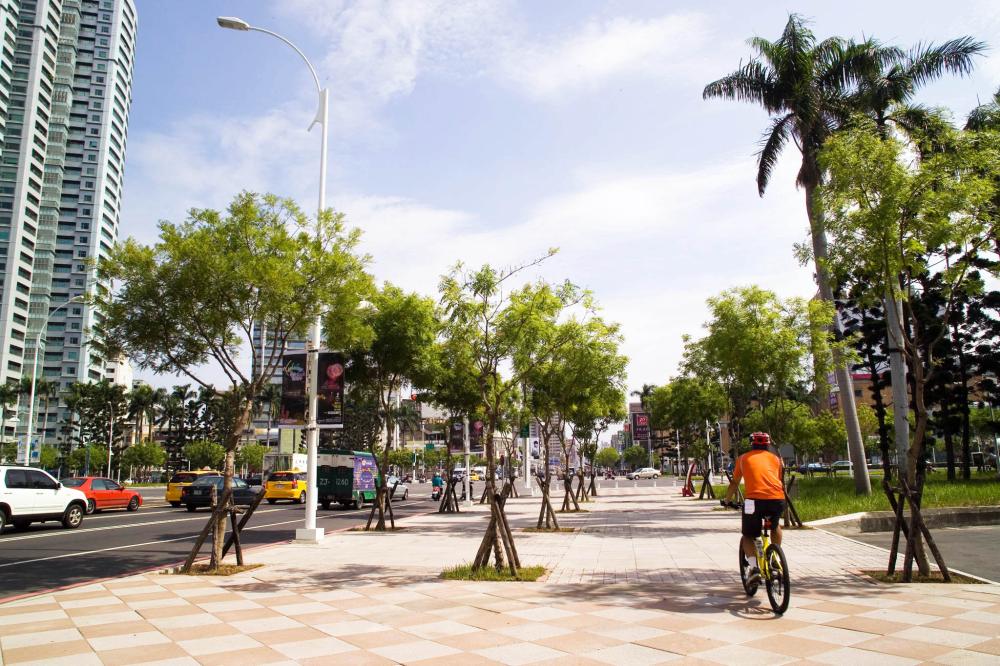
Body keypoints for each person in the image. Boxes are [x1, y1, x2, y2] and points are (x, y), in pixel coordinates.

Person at [724, 432, 785, 585]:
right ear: (768, 445)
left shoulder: (743, 458)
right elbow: (776, 479)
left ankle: (754, 569)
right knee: (775, 526)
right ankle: (775, 557)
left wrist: (727, 501)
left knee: (748, 536)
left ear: (751, 444)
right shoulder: (776, 460)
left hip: (754, 501)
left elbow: (734, 482)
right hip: (777, 499)